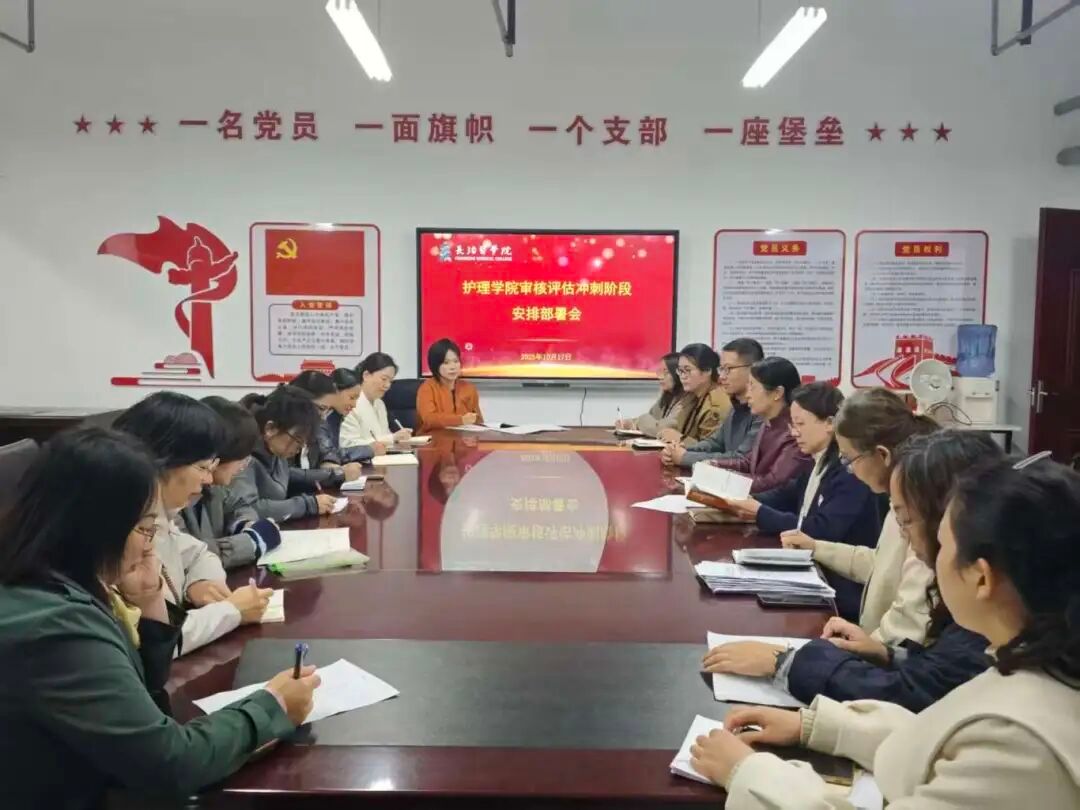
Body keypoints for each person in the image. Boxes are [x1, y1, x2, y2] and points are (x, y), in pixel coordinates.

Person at [691, 458, 1080, 809]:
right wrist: (817, 727)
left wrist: (749, 774)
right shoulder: (1030, 658)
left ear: (981, 578)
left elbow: (978, 747)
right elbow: (937, 739)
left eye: (943, 544)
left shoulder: (1020, 744)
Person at [0, 427, 320, 810]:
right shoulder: (54, 626)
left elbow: (142, 699)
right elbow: (171, 763)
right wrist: (273, 706)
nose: (151, 542)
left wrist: (150, 604)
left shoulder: (59, 580)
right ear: (93, 527)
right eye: (144, 527)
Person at [704, 430, 999, 712]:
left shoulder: (986, 629)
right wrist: (885, 654)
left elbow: (912, 693)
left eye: (907, 521)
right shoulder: (977, 617)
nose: (905, 538)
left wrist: (784, 664)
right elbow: (934, 670)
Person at [114, 393, 272, 654]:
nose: (209, 480)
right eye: (202, 467)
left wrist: (201, 582)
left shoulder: (158, 512)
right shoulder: (121, 530)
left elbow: (199, 553)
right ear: (163, 461)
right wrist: (231, 611)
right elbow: (153, 639)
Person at [782, 388, 938, 645]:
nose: (850, 471)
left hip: (891, 651)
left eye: (849, 460)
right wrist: (816, 547)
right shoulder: (898, 498)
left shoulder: (917, 509)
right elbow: (881, 564)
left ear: (882, 455)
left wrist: (862, 648)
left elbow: (910, 615)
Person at [722, 382, 880, 619]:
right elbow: (785, 494)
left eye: (800, 424)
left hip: (840, 586)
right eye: (792, 425)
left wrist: (760, 512)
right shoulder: (817, 459)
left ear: (829, 423)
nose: (794, 432)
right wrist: (745, 499)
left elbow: (822, 529)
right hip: (812, 569)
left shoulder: (849, 471)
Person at [175, 396, 282, 569]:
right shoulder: (170, 498)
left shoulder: (214, 486)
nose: (244, 466)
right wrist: (253, 542)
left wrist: (242, 524)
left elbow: (238, 506)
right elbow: (190, 559)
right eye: (242, 458)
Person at [704, 357, 812, 494]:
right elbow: (748, 462)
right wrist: (715, 464)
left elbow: (771, 483)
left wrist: (722, 480)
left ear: (777, 393)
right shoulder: (767, 422)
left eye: (753, 387)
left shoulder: (794, 433)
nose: (748, 394)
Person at [233, 386, 341, 522]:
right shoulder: (242, 455)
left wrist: (333, 476)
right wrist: (308, 505)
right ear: (270, 428)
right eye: (298, 440)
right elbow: (248, 508)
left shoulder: (275, 450)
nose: (299, 449)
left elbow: (288, 474)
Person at [662, 338, 764, 467]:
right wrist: (680, 450)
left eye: (728, 369)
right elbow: (715, 443)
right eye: (721, 369)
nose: (722, 376)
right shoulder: (736, 405)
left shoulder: (762, 410)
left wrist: (685, 457)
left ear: (752, 369)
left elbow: (741, 458)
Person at [289, 371, 368, 480]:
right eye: (321, 408)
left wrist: (329, 463)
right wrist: (335, 474)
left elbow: (325, 452)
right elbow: (287, 474)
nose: (323, 417)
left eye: (326, 410)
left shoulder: (317, 421)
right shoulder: (283, 427)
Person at [656, 343, 731, 446]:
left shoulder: (716, 404)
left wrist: (680, 438)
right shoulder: (692, 396)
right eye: (680, 371)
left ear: (707, 370)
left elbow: (712, 448)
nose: (683, 376)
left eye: (687, 370)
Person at [340, 352, 413, 447]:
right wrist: (392, 438)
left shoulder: (380, 404)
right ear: (366, 375)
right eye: (384, 379)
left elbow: (385, 437)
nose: (387, 385)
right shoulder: (350, 403)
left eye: (390, 381)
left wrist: (399, 441)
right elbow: (349, 444)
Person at [416, 338, 484, 434]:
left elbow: (478, 420)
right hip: (433, 440)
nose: (453, 367)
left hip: (463, 439)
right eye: (446, 363)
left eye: (456, 361)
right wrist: (460, 420)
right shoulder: (427, 388)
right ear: (435, 365)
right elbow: (429, 419)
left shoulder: (469, 388)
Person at [615, 353, 690, 437]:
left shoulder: (687, 400)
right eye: (659, 372)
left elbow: (660, 429)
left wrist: (639, 421)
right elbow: (651, 419)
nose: (661, 377)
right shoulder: (666, 396)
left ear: (678, 373)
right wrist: (629, 423)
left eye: (666, 372)